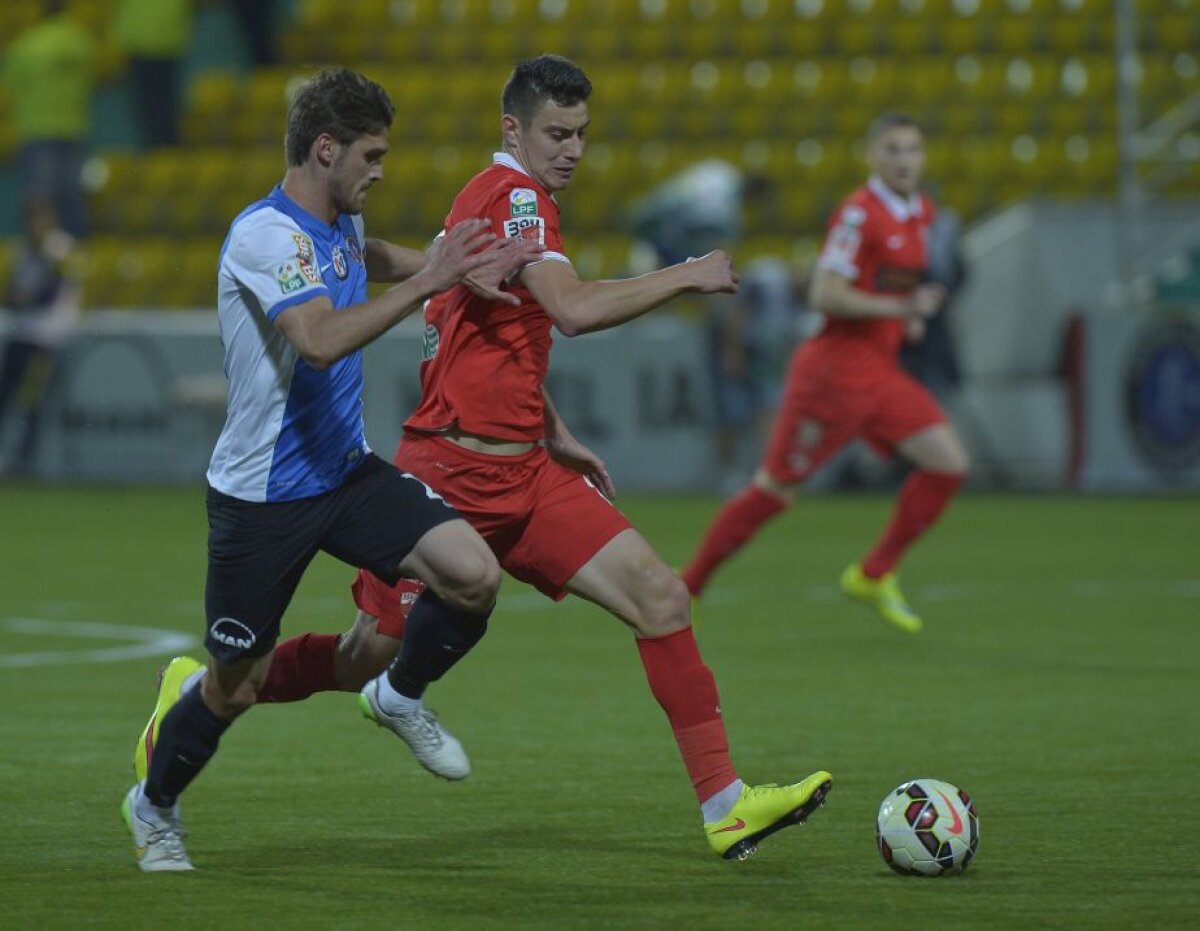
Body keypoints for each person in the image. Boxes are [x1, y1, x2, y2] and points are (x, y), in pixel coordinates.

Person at [171, 54, 830, 863]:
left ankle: (727, 805)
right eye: (557, 132)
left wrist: (548, 426)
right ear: (512, 129)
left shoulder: (503, 208)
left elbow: (483, 331)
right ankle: (210, 694)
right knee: (358, 658)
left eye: (583, 134)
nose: (573, 149)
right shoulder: (516, 199)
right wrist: (687, 274)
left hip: (524, 472)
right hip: (447, 471)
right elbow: (572, 310)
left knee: (660, 596)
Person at [121, 67, 542, 873]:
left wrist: (442, 262)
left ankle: (397, 695)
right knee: (232, 687)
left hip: (344, 476)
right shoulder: (264, 236)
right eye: (371, 155)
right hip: (261, 499)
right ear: (325, 150)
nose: (381, 170)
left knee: (472, 575)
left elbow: (366, 252)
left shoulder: (338, 221)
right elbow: (317, 339)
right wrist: (432, 279)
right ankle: (155, 804)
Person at [681, 113, 969, 634]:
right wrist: (901, 310)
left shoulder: (922, 212)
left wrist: (906, 319)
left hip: (879, 373)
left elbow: (886, 288)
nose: (904, 161)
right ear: (872, 156)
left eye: (913, 150)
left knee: (947, 464)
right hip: (832, 377)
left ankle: (874, 573)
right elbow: (825, 294)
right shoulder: (859, 216)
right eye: (893, 150)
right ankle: (688, 587)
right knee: (775, 491)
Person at [1, 0, 96, 237]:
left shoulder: (29, 44)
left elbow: (12, 83)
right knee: (71, 196)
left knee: (40, 197)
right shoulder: (81, 41)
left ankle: (42, 257)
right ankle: (76, 253)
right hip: (74, 126)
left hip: (38, 127)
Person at [0, 199, 80, 474]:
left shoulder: (60, 248)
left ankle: (24, 460)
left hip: (48, 337)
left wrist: (25, 298)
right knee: (5, 395)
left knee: (33, 399)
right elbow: (10, 291)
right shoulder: (20, 248)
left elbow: (51, 289)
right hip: (21, 332)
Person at [112, 0, 193, 147]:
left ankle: (161, 150)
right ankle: (166, 149)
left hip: (142, 41)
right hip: (167, 39)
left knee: (153, 106)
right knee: (166, 104)